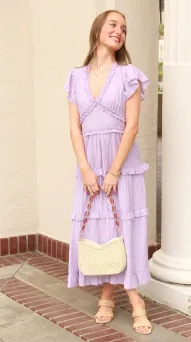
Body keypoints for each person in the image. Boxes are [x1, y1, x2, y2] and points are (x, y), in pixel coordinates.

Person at [64, 10, 152, 335]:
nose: (120, 31)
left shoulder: (129, 75)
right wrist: (86, 169)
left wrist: (113, 171)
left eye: (125, 29)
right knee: (99, 230)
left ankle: (130, 297)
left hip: (121, 164)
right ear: (98, 28)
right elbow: (74, 129)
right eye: (114, 24)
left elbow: (132, 127)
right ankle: (108, 292)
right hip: (89, 165)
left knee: (123, 225)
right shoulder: (75, 77)